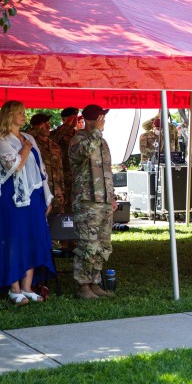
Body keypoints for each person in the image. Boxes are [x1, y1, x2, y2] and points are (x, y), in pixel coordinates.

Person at [0, 101, 55, 304]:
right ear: (9, 116)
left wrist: (47, 196)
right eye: (19, 113)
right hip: (12, 199)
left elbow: (41, 170)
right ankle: (13, 288)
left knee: (31, 239)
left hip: (33, 198)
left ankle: (27, 287)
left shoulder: (30, 137)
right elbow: (15, 166)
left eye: (24, 112)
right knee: (14, 240)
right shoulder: (1, 140)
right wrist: (25, 147)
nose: (24, 115)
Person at [69, 104, 117, 299]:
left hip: (104, 201)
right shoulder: (78, 140)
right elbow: (83, 153)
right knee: (87, 245)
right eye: (101, 118)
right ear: (93, 120)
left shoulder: (102, 142)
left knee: (103, 245)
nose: (103, 121)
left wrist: (112, 197)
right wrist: (95, 132)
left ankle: (95, 282)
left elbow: (107, 172)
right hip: (87, 201)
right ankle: (83, 286)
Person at [27, 113, 65, 214]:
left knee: (58, 226)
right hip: (41, 192)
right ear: (36, 127)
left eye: (49, 123)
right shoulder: (30, 144)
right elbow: (25, 134)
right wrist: (35, 129)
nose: (48, 127)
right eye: (44, 125)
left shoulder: (55, 146)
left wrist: (62, 191)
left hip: (57, 195)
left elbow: (60, 170)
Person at [49, 106, 79, 213]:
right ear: (64, 120)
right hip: (62, 178)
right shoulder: (58, 134)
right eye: (72, 118)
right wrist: (67, 125)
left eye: (76, 117)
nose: (75, 121)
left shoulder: (77, 135)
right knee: (63, 208)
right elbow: (52, 139)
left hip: (76, 177)